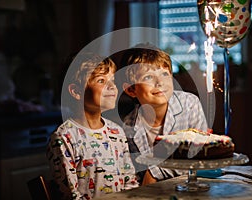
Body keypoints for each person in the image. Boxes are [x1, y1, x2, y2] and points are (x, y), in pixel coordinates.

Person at [46, 52, 139, 200]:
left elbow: (130, 182)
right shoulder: (64, 138)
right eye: (102, 81)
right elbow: (71, 195)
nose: (112, 87)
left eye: (113, 81)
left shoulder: (117, 132)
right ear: (76, 92)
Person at [120, 43, 208, 185]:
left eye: (165, 74)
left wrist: (155, 172)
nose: (160, 82)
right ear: (131, 90)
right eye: (148, 77)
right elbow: (138, 174)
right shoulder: (128, 128)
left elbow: (199, 155)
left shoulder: (189, 104)